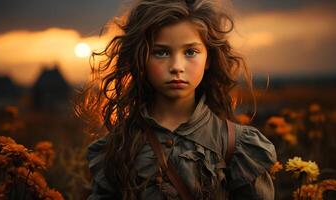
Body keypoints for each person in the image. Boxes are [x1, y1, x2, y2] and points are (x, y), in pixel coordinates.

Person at [81, 0, 277, 199]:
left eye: (190, 52)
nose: (176, 66)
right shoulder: (120, 144)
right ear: (142, 59)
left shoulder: (235, 145)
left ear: (208, 59)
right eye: (161, 52)